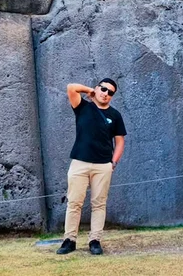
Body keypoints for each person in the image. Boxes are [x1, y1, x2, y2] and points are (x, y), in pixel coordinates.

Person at [56, 78, 127, 256]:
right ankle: (69, 240)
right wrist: (90, 91)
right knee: (74, 202)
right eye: (103, 89)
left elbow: (120, 141)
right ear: (97, 88)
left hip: (103, 165)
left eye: (110, 92)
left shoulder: (115, 115)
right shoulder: (82, 107)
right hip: (79, 162)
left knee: (99, 204)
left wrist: (114, 162)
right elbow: (71, 88)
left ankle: (95, 240)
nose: (106, 94)